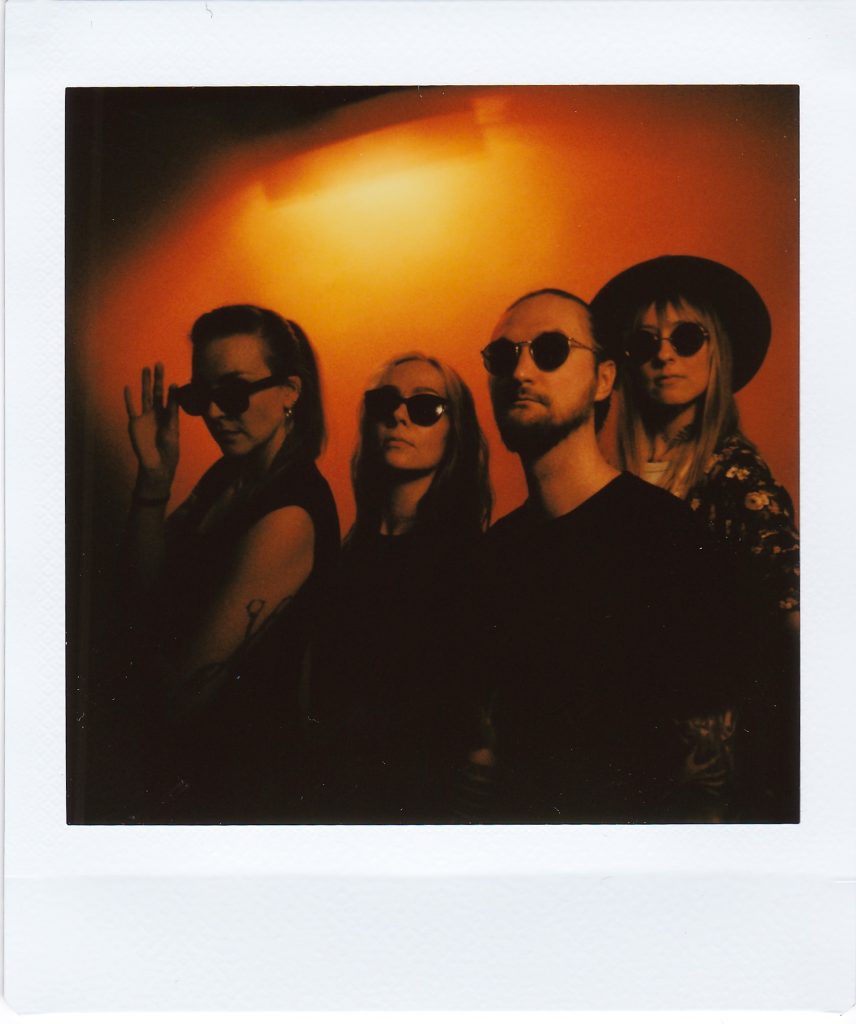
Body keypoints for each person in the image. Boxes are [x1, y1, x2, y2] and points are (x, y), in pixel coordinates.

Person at [479, 288, 746, 823]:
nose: (521, 372)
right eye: (503, 357)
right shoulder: (494, 554)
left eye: (550, 350)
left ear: (604, 380)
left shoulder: (668, 537)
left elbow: (710, 771)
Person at [110, 304, 340, 823]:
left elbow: (183, 694)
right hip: (191, 775)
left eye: (233, 393)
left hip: (239, 792)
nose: (214, 413)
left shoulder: (290, 514)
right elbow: (138, 593)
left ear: (290, 391)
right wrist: (154, 479)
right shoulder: (227, 477)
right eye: (200, 397)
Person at [590, 256, 799, 817]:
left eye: (686, 338)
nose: (664, 355)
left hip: (706, 765)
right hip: (625, 744)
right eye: (644, 343)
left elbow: (789, 614)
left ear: (717, 353)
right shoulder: (613, 478)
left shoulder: (737, 478)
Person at [309, 352, 492, 823]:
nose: (398, 416)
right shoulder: (346, 552)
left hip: (418, 811)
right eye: (385, 401)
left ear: (455, 431)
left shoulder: (469, 562)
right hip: (332, 804)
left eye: (425, 406)